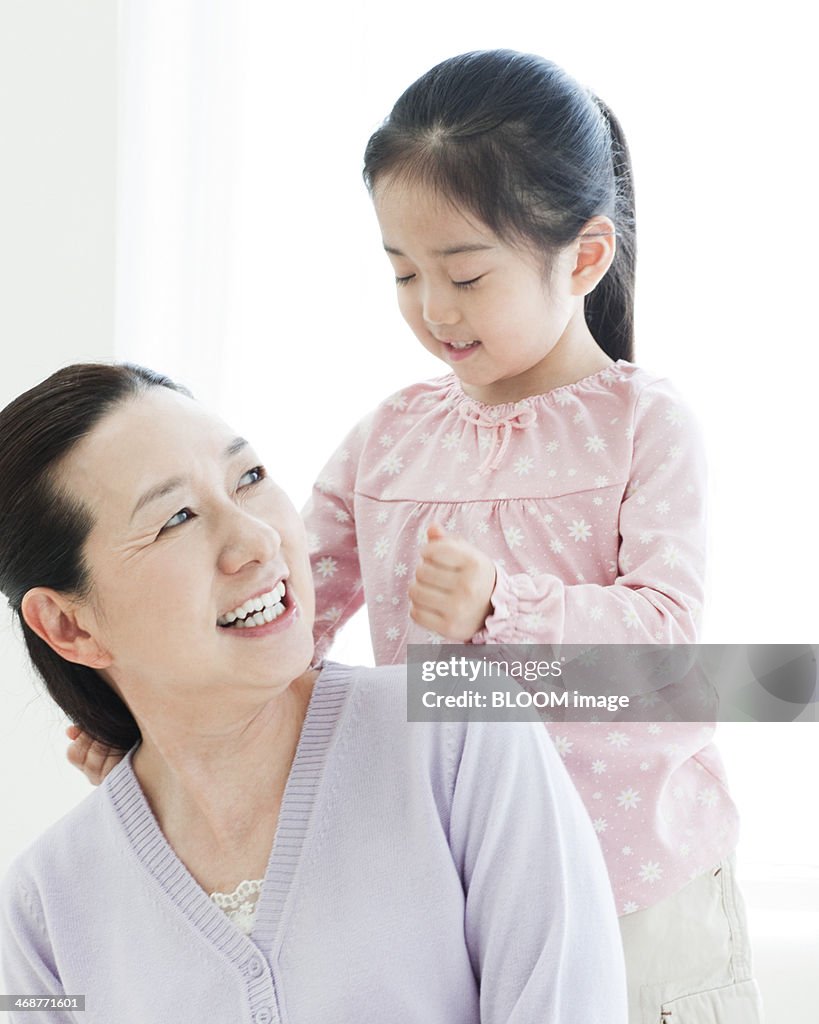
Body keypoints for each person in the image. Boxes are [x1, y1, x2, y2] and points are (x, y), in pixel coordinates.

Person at [300, 50, 763, 1021]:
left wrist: (502, 607)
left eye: (465, 273)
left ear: (584, 257)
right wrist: (143, 719)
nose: (432, 309)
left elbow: (673, 650)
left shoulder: (646, 427)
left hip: (640, 888)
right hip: (450, 884)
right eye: (402, 273)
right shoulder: (387, 442)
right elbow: (285, 616)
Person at [0, 363, 627, 1023]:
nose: (256, 539)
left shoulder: (459, 734)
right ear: (69, 625)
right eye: (176, 517)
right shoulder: (43, 912)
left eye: (248, 478)